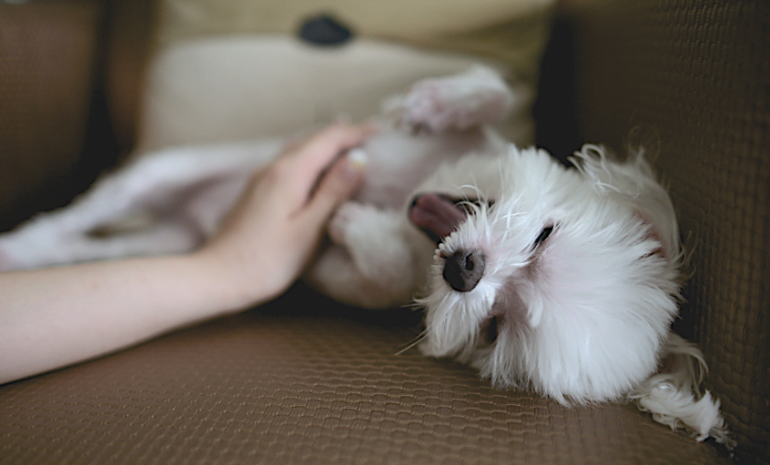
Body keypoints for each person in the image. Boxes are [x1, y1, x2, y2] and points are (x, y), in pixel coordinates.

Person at [0, 123, 372, 385]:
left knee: (130, 244)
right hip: (239, 217)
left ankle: (32, 248)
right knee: (148, 179)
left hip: (212, 241)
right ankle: (33, 244)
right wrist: (227, 271)